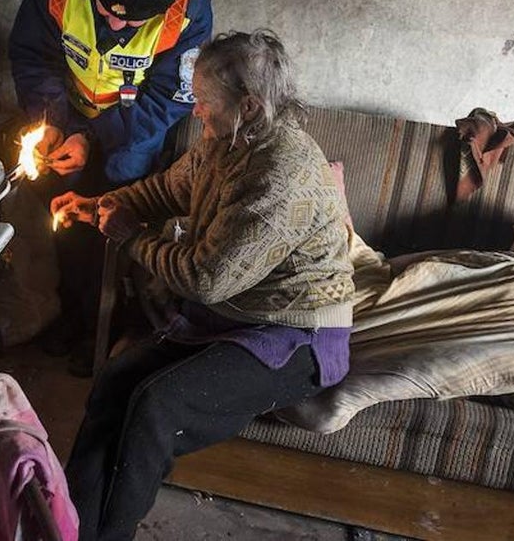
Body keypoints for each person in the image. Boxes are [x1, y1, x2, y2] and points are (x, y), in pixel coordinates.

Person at [50, 30, 354, 541]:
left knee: (157, 402)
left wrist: (127, 237)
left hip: (296, 334)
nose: (196, 111)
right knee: (116, 378)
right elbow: (167, 189)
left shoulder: (280, 177)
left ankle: (108, 534)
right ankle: (69, 525)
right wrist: (103, 205)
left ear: (250, 106)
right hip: (235, 316)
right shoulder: (224, 141)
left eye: (205, 101)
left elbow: (206, 279)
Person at [8, 0, 215, 375]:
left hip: (132, 129)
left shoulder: (189, 10)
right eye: (107, 9)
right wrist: (56, 124)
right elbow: (33, 55)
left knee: (110, 212)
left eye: (131, 19)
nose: (116, 23)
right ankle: (70, 313)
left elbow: (167, 99)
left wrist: (95, 138)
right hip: (67, 112)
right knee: (59, 210)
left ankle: (104, 322)